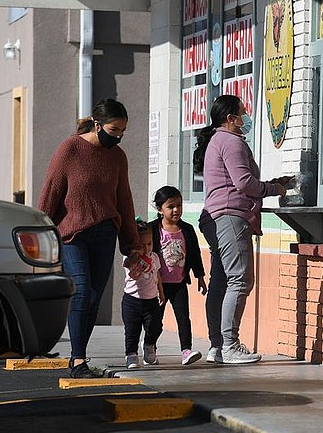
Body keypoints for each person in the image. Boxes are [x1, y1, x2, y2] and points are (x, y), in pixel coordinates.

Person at [38, 98, 147, 378]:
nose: (119, 136)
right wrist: (39, 238)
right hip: (73, 235)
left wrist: (131, 245)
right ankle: (76, 360)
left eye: (123, 130)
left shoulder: (118, 157)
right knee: (82, 291)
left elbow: (124, 200)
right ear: (97, 125)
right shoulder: (70, 149)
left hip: (105, 234)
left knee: (94, 299)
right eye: (114, 130)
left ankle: (81, 357)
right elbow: (50, 193)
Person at [193, 94, 290, 364]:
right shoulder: (231, 141)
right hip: (230, 217)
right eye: (243, 112)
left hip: (216, 216)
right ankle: (230, 345)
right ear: (230, 118)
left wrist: (271, 183)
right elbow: (244, 182)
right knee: (240, 280)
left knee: (222, 282)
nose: (246, 117)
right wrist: (275, 189)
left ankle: (217, 346)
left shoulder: (217, 140)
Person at [149, 185, 207, 366]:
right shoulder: (153, 229)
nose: (176, 210)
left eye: (179, 205)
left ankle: (186, 351)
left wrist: (200, 277)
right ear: (160, 209)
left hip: (179, 283)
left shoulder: (187, 230)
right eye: (171, 206)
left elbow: (195, 254)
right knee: (155, 320)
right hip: (157, 285)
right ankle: (149, 346)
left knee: (183, 318)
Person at [122, 219, 164, 369]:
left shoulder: (155, 257)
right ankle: (131, 354)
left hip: (151, 300)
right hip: (132, 300)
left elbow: (158, 275)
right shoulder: (130, 258)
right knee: (132, 330)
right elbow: (131, 271)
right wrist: (136, 257)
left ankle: (149, 346)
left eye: (149, 244)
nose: (146, 248)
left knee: (156, 326)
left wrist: (161, 292)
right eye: (142, 245)